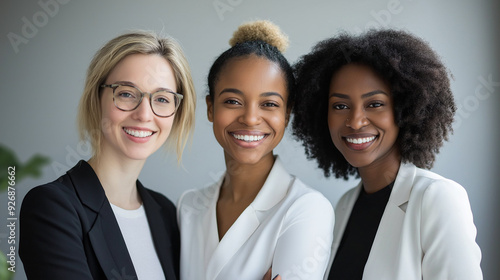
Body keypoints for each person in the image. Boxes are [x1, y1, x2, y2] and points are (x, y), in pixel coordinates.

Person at [291, 29, 482, 280]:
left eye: (375, 104)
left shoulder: (437, 198)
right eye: (340, 106)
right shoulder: (344, 206)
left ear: (406, 109)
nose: (355, 121)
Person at [19, 30, 196, 280]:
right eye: (126, 93)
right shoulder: (52, 208)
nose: (144, 114)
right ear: (97, 97)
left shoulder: (166, 213)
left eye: (162, 99)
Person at [177, 20, 334, 280]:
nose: (250, 118)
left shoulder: (307, 209)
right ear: (210, 108)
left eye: (269, 104)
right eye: (232, 101)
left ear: (287, 113)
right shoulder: (189, 207)